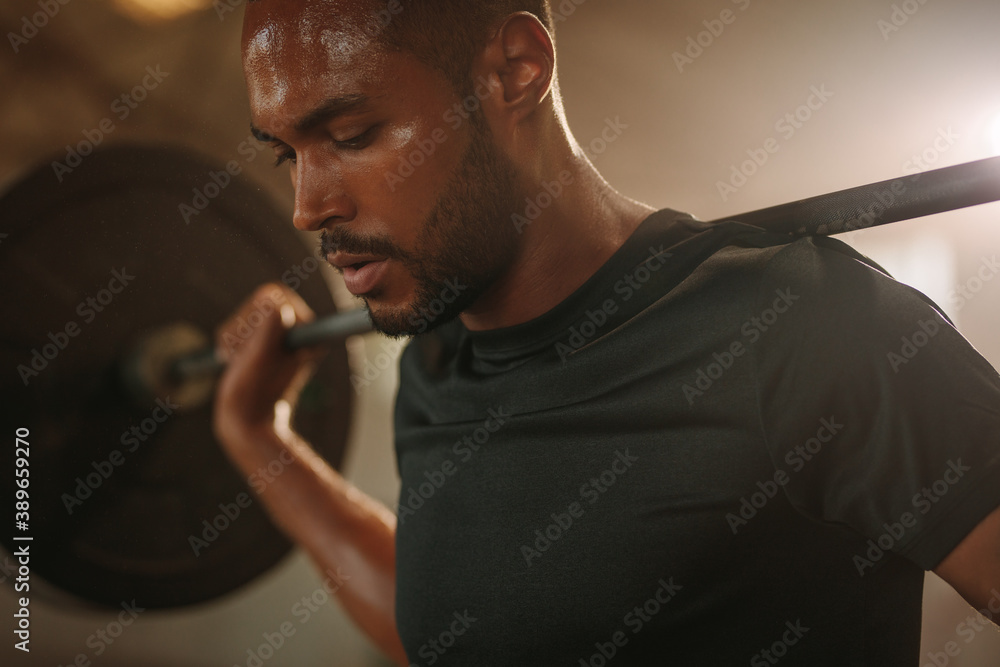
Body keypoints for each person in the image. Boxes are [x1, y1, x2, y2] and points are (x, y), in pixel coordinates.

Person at [213, 1, 1000, 664]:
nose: (307, 206)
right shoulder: (438, 359)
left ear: (515, 70)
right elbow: (465, 633)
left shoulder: (807, 325)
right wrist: (260, 441)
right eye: (287, 154)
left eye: (350, 135)